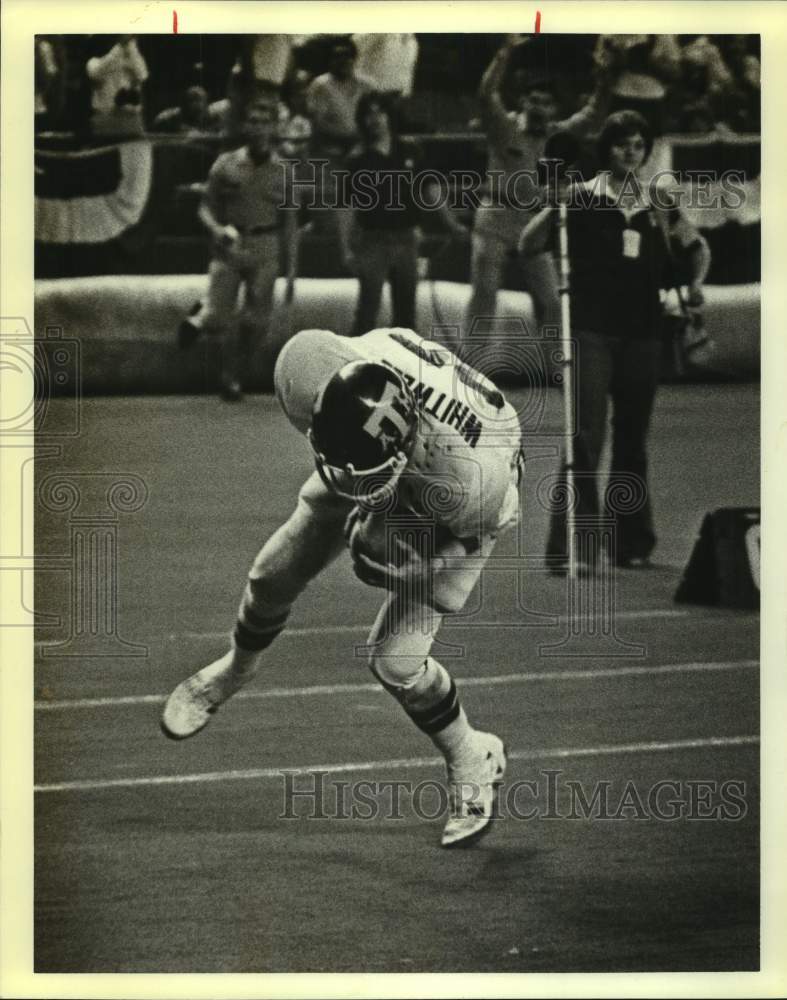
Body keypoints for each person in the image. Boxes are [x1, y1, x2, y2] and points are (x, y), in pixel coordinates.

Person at [161, 325, 524, 848]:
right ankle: (235, 669)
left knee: (395, 659)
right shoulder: (353, 369)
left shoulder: (472, 485)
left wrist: (403, 568)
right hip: (398, 447)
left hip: (459, 498)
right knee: (273, 574)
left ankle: (472, 755)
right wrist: (361, 488)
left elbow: (467, 539)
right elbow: (305, 366)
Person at [519, 109, 711, 569]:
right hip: (590, 330)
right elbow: (528, 245)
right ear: (607, 148)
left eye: (639, 144)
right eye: (622, 142)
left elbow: (698, 247)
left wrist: (697, 284)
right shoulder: (581, 198)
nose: (631, 150)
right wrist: (555, 204)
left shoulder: (659, 203)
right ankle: (574, 547)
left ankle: (630, 543)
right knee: (586, 435)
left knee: (632, 439)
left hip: (643, 332)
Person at [464, 35, 613, 360]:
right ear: (523, 101)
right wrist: (503, 55)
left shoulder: (560, 135)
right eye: (533, 99)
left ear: (555, 108)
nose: (538, 107)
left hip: (534, 220)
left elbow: (594, 116)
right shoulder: (504, 127)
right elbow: (486, 94)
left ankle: (555, 366)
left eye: (546, 102)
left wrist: (603, 79)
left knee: (552, 300)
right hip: (497, 216)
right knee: (485, 293)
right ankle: (469, 367)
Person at [179, 97, 298, 401]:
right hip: (231, 245)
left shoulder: (284, 171)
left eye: (264, 122)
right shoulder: (225, 164)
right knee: (217, 318)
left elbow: (290, 224)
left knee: (256, 322)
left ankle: (232, 376)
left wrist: (292, 273)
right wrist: (217, 229)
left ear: (274, 127)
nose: (259, 128)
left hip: (266, 245)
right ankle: (201, 315)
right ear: (245, 126)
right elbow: (204, 208)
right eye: (253, 121)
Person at [341, 92, 468, 337]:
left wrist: (452, 224)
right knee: (367, 311)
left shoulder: (410, 149)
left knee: (406, 313)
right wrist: (345, 247)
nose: (375, 119)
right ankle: (354, 368)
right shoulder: (357, 159)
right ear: (362, 120)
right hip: (372, 241)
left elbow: (431, 188)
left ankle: (402, 368)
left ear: (389, 116)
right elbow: (346, 206)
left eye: (380, 113)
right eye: (369, 114)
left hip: (407, 239)